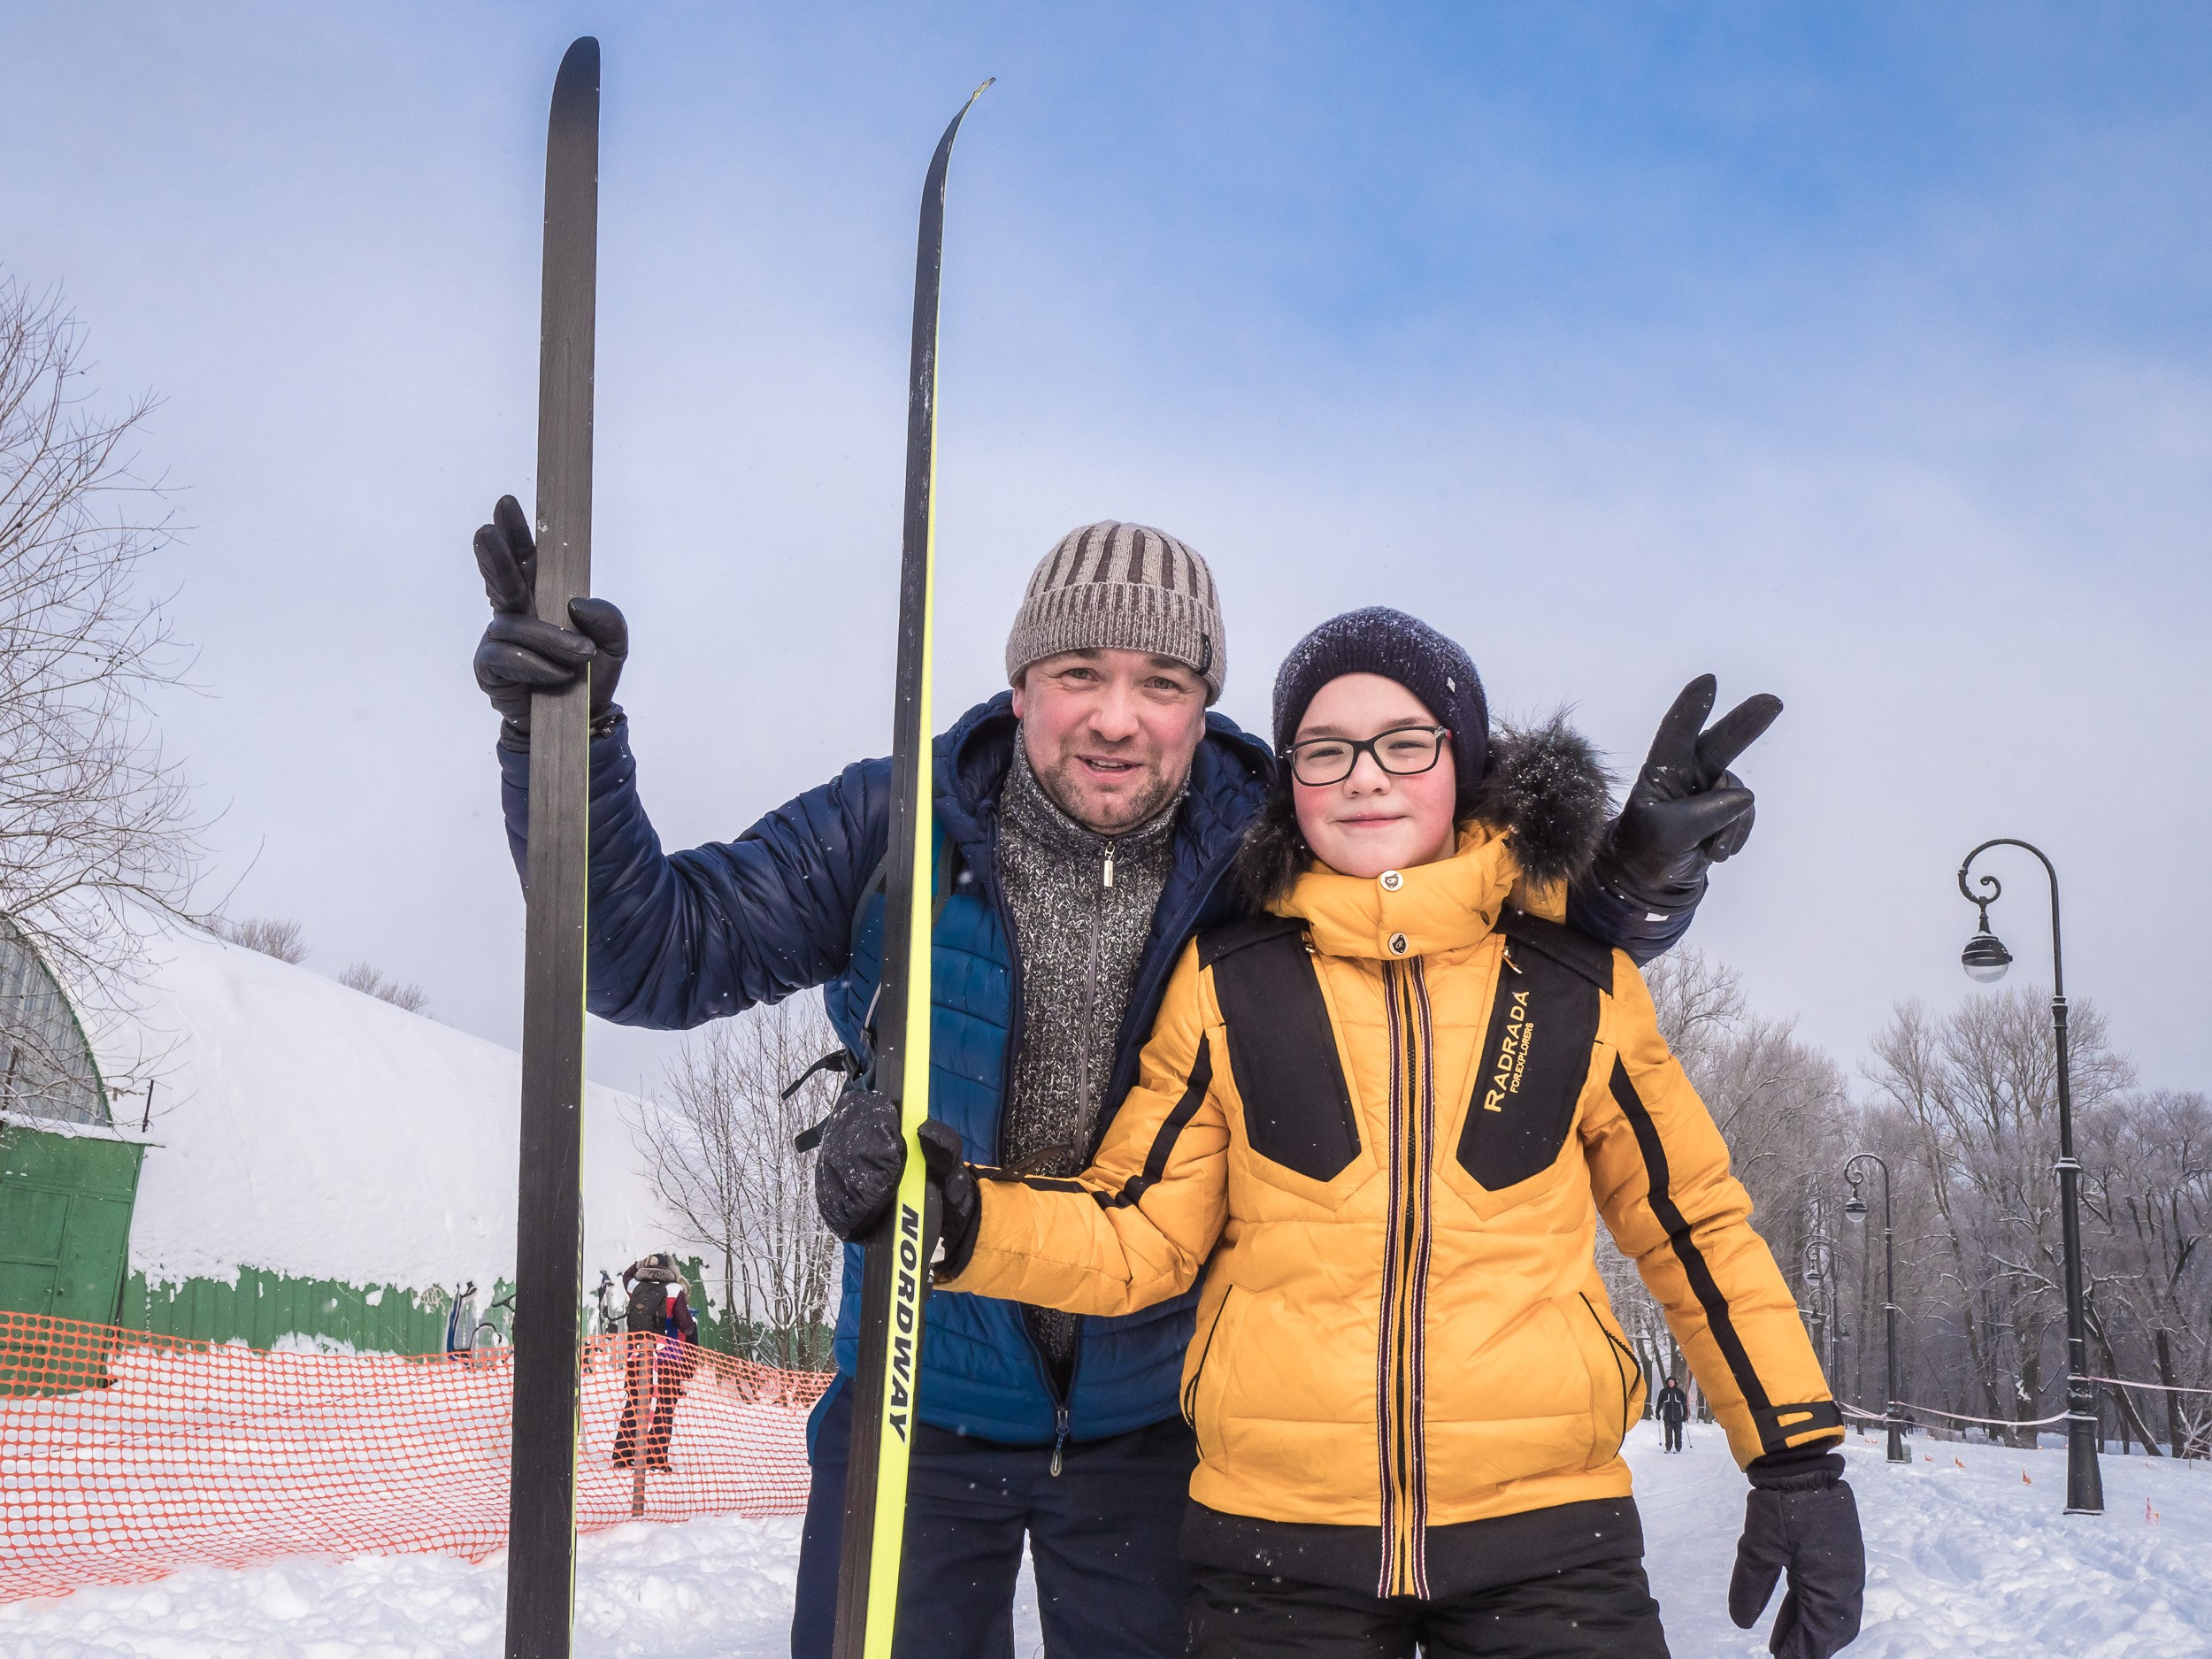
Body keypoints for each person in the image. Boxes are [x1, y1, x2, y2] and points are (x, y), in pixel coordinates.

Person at [472, 503, 1778, 1659]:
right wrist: (569, 743)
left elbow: (1462, 897)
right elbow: (647, 952)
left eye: (1160, 678)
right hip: (918, 1408)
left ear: (1202, 700)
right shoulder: (897, 824)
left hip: (1158, 1433)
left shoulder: (1268, 839)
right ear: (1023, 681)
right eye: (1078, 669)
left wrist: (1636, 888)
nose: (1115, 713)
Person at [823, 608, 1866, 1659]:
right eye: (1326, 753)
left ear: (1465, 763)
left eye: (1405, 744)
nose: (1365, 777)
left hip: (1548, 1541)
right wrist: (955, 1218)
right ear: (1291, 786)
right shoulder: (1230, 979)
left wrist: (1794, 1458)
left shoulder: (1574, 978)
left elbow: (1692, 1225)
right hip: (1278, 1555)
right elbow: (1141, 1236)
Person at [613, 1254, 699, 1471]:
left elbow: (626, 1275)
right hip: (667, 1357)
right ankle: (655, 1456)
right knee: (664, 1406)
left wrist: (640, 1264)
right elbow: (686, 1326)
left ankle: (623, 1454)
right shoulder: (674, 1290)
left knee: (634, 1401)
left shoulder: (635, 1287)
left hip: (639, 1355)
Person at [1658, 1376, 1690, 1454]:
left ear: (1675, 1383)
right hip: (1667, 1416)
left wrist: (1685, 1414)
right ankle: (1668, 1447)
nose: (1671, 1383)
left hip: (1678, 1416)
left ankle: (1678, 1448)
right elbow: (1659, 1403)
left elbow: (1684, 1404)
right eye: (1669, 1382)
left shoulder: (1679, 1392)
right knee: (1668, 1433)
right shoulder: (1663, 1392)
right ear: (1667, 1383)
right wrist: (1657, 1412)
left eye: (1672, 1382)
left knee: (1678, 1433)